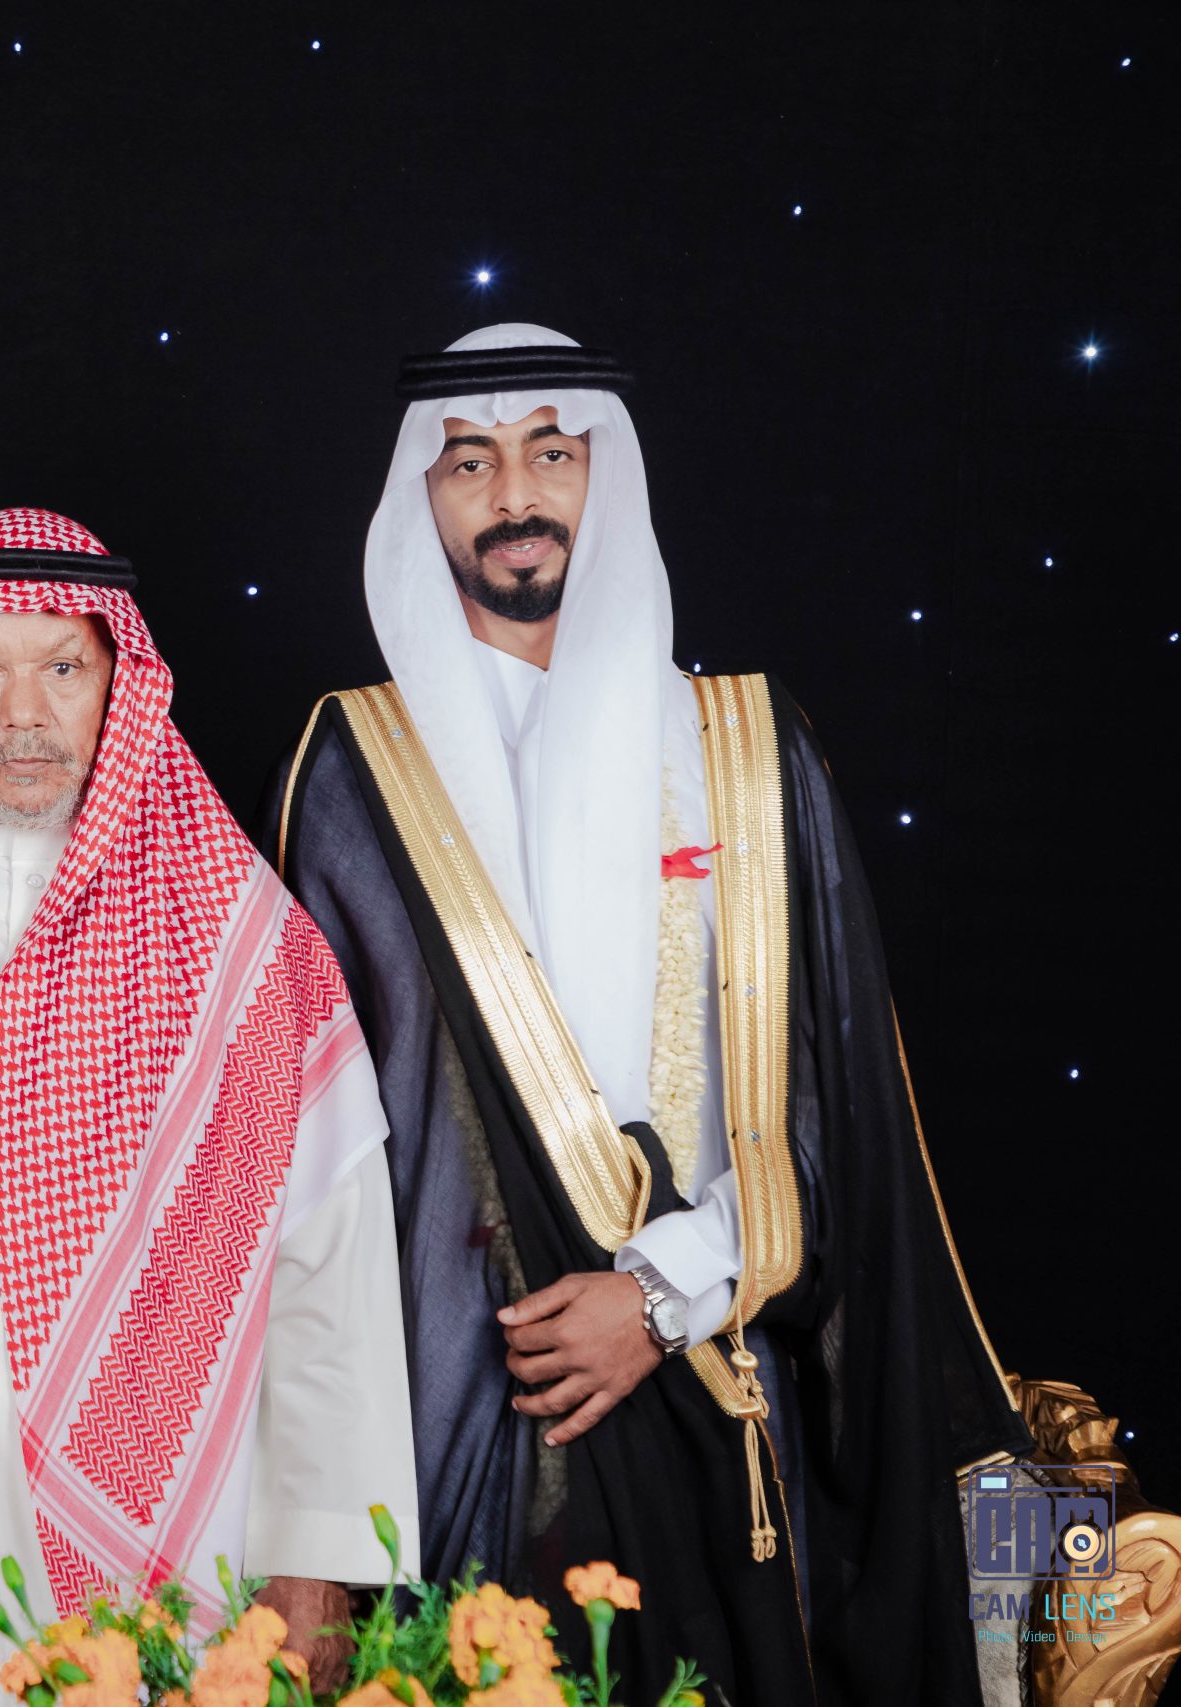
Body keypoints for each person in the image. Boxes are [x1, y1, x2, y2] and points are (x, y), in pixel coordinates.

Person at [268, 324, 1029, 1703]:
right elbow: (326, 1149)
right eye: (470, 461)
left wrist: (664, 1290)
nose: (515, 494)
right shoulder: (355, 770)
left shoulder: (743, 746)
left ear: (603, 472)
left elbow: (838, 1105)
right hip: (473, 1418)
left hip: (727, 1383)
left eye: (552, 453)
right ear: (420, 495)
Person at [0, 509, 416, 1701]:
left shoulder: (241, 942)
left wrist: (319, 1563)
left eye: (62, 668)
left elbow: (331, 1269)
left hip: (167, 1514)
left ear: (118, 685)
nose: (23, 716)